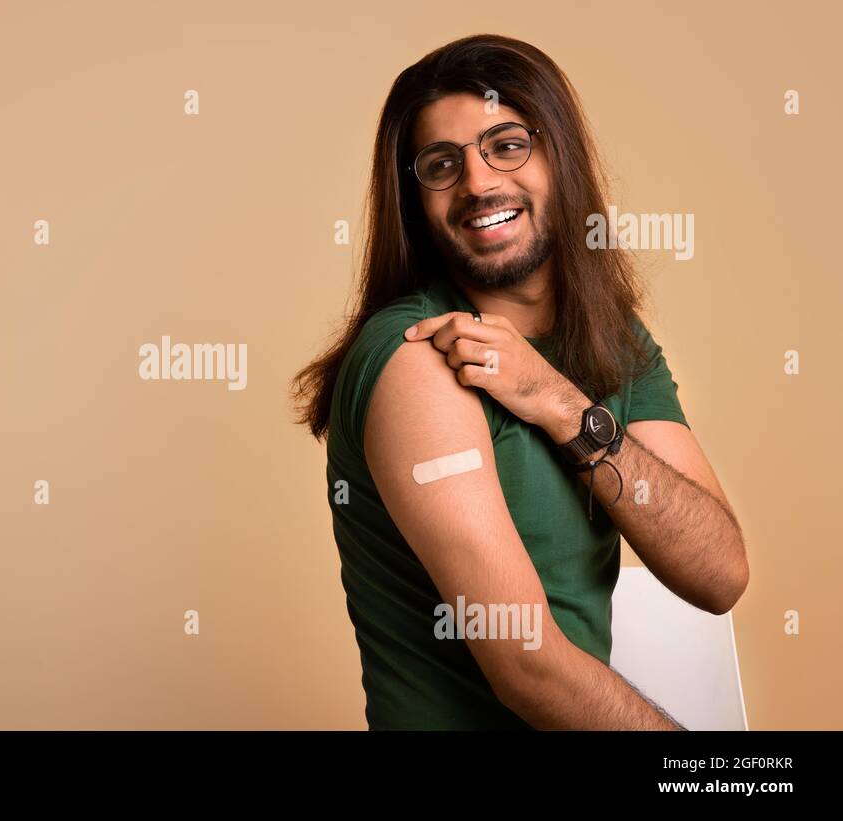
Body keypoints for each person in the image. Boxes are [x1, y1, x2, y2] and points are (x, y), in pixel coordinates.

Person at [291, 34, 747, 730]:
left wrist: (561, 404)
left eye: (505, 146)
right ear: (416, 198)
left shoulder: (612, 342)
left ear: (557, 154)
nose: (477, 184)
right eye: (442, 165)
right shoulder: (415, 356)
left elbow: (719, 574)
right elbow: (530, 668)